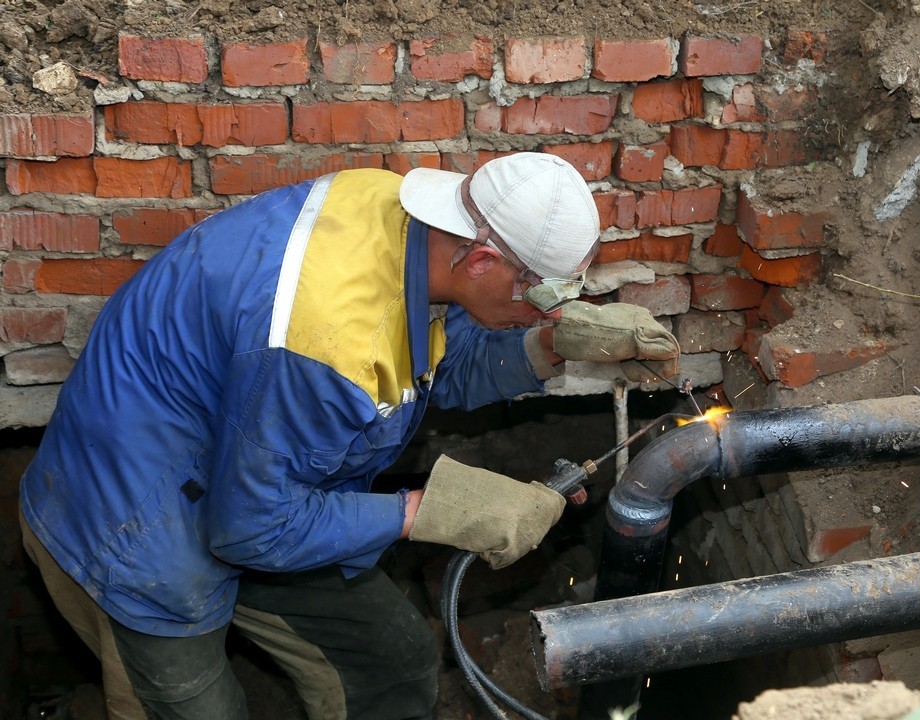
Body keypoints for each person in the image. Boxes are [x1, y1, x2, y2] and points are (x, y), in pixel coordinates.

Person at [19, 152, 680, 720]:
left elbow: (427, 365)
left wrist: (549, 345)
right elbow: (249, 529)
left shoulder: (409, 226)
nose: (548, 309)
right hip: (134, 516)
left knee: (393, 663)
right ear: (481, 260)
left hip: (258, 472)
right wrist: (427, 511)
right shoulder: (327, 343)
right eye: (542, 297)